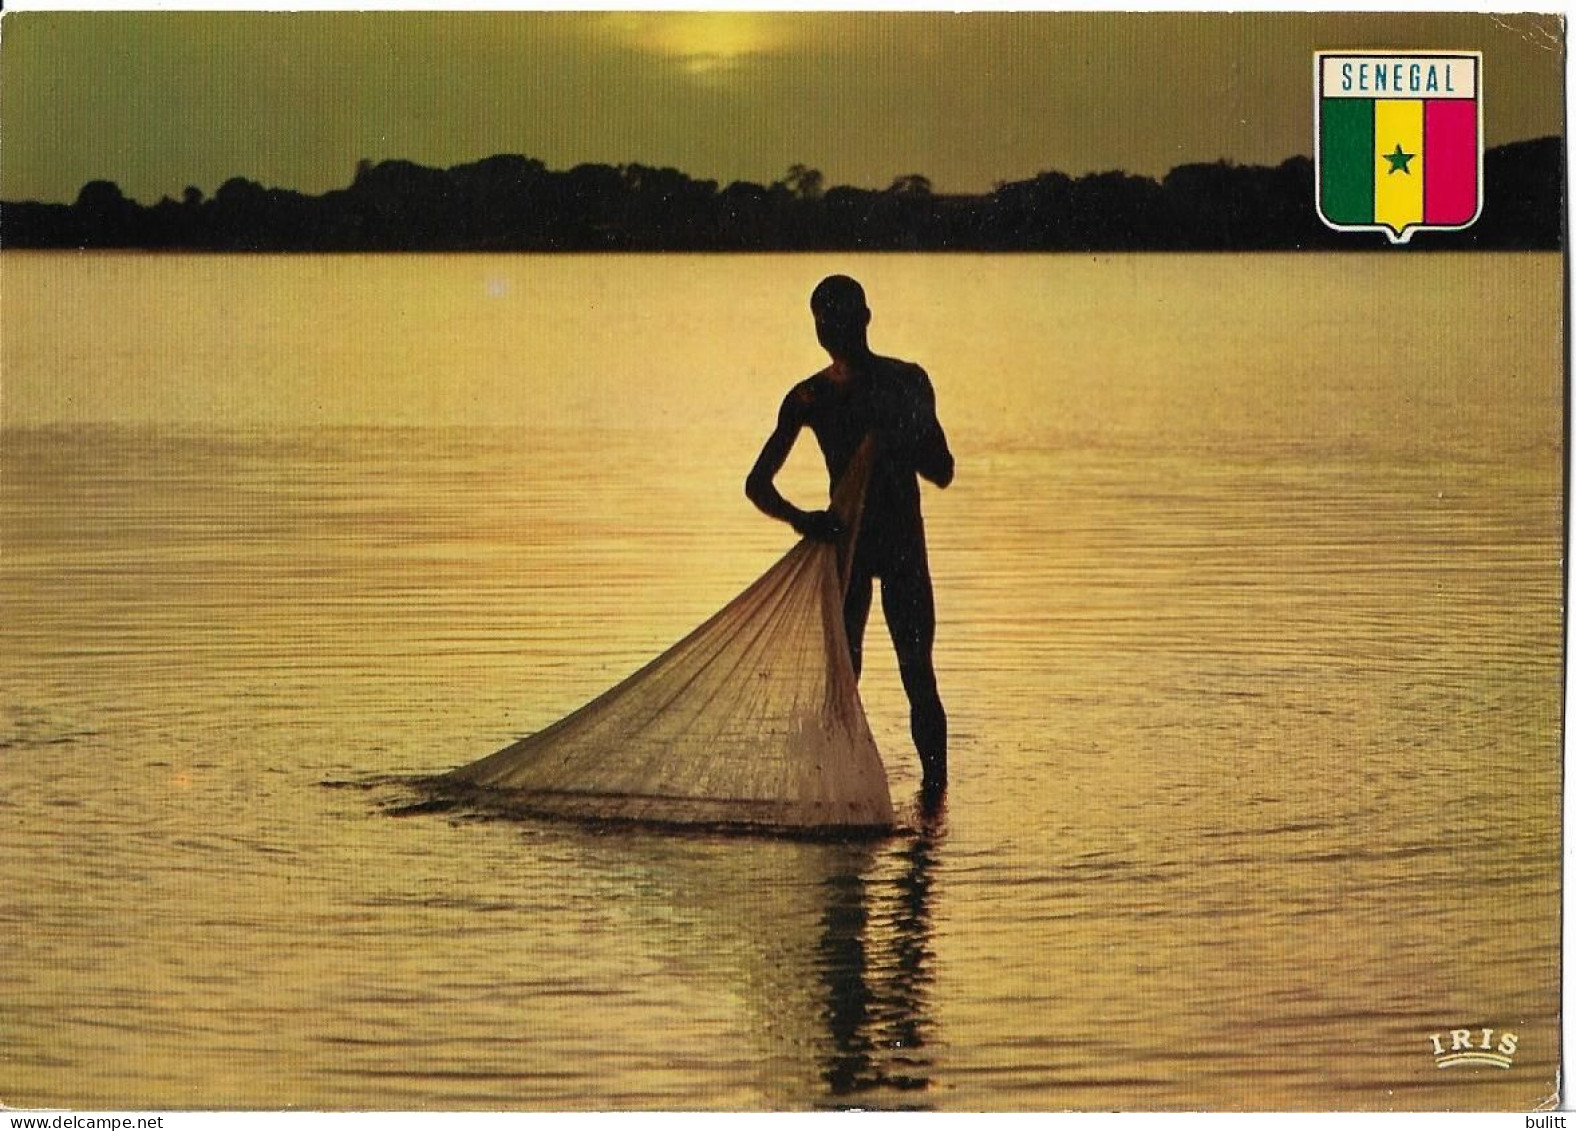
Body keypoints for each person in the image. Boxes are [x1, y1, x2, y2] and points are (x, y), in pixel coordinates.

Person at [746, 275, 955, 792]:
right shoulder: (809, 397)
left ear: (864, 319)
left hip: (902, 545)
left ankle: (934, 800)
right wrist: (805, 519)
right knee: (845, 677)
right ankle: (837, 791)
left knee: (917, 676)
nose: (831, 330)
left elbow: (942, 468)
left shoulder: (907, 382)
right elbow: (757, 484)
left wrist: (898, 432)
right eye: (823, 321)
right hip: (850, 548)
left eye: (839, 318)